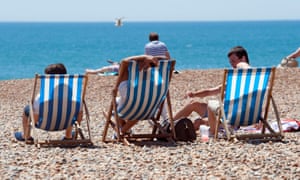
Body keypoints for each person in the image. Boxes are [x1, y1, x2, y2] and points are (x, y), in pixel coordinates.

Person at [173, 46, 251, 135]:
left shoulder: (246, 80)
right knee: (193, 104)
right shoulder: (240, 79)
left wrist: (241, 65)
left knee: (198, 122)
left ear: (243, 58)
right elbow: (211, 91)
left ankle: (175, 132)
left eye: (234, 61)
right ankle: (169, 125)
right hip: (220, 112)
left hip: (229, 118)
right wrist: (194, 94)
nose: (232, 65)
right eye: (230, 62)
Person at [14, 63, 80, 142]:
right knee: (71, 108)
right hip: (66, 123)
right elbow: (79, 113)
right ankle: (68, 136)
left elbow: (35, 117)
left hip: (46, 124)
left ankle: (26, 135)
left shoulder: (42, 97)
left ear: (48, 78)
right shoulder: (74, 95)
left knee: (27, 109)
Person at [114, 55, 167, 135]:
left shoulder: (129, 89)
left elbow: (124, 61)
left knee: (117, 105)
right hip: (148, 110)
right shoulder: (156, 85)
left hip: (131, 105)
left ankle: (122, 131)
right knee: (139, 107)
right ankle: (124, 129)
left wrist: (144, 57)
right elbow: (165, 58)